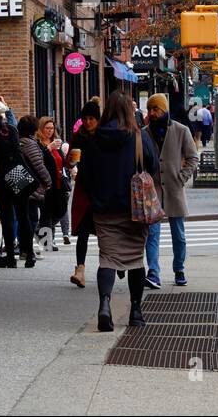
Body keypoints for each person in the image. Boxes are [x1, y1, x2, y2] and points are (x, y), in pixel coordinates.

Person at [81, 91, 158, 331]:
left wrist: (96, 198)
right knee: (135, 260)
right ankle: (136, 311)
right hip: (135, 211)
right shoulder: (138, 137)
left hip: (104, 210)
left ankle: (105, 304)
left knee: (108, 259)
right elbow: (154, 166)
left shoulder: (94, 140)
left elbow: (84, 176)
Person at [141, 93, 197, 289]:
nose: (152, 113)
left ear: (164, 110)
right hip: (152, 191)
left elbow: (192, 158)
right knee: (152, 234)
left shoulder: (181, 130)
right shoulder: (144, 133)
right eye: (149, 109)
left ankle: (179, 268)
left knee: (179, 235)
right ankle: (153, 273)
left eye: (155, 109)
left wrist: (182, 178)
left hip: (174, 189)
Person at [0, 102, 30, 267]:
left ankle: (10, 256)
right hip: (18, 173)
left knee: (7, 218)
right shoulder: (11, 128)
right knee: (23, 216)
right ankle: (29, 254)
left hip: (2, 178)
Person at [69, 100, 101, 288]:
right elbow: (70, 162)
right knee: (83, 232)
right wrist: (72, 160)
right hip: (84, 189)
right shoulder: (78, 137)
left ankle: (113, 266)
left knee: (105, 232)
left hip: (101, 189)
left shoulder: (104, 136)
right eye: (85, 118)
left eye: (91, 119)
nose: (88, 122)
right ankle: (80, 270)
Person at [15, 114, 54, 264]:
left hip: (20, 184)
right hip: (31, 188)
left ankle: (25, 249)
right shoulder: (30, 144)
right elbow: (38, 165)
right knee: (31, 219)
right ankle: (27, 249)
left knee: (23, 218)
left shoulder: (18, 142)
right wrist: (48, 181)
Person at [35, 117, 70, 251]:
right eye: (47, 128)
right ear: (41, 128)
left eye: (51, 128)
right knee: (46, 212)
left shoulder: (56, 143)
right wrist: (48, 148)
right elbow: (37, 159)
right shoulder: (38, 143)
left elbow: (61, 160)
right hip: (46, 182)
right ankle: (49, 241)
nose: (50, 131)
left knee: (60, 210)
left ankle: (39, 230)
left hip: (60, 181)